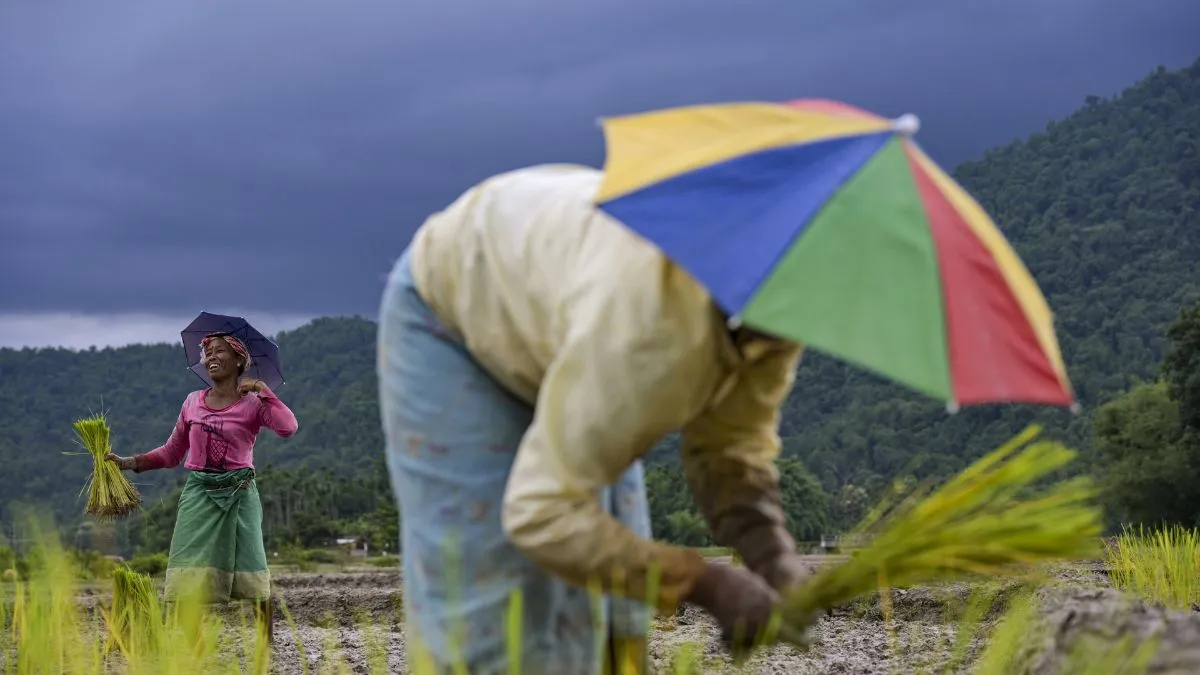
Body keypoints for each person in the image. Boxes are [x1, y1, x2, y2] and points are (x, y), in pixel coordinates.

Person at [377, 163, 815, 675]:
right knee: (495, 603)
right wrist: (707, 584)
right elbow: (542, 513)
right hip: (450, 314)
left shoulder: (774, 318)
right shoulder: (641, 327)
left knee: (613, 604)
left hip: (559, 310)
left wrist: (772, 554)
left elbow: (729, 451)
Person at [107, 333, 298, 640]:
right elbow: (171, 453)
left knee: (252, 568)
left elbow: (288, 428)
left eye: (219, 351)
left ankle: (266, 647)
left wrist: (264, 391)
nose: (210, 357)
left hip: (239, 493)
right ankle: (193, 651)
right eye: (207, 352)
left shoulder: (253, 404)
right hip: (198, 493)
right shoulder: (192, 402)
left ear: (239, 359)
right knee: (187, 569)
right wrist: (128, 462)